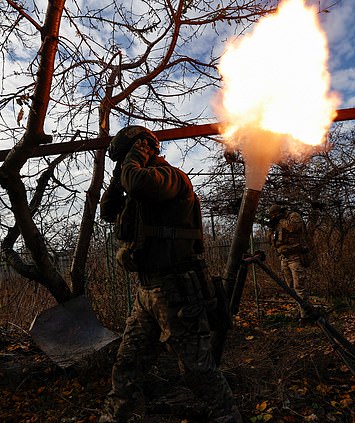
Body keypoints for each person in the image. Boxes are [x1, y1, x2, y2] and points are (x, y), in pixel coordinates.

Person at [99, 125, 241, 423]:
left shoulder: (170, 177)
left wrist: (134, 158)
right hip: (147, 293)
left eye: (128, 157)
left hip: (177, 290)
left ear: (143, 150)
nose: (125, 165)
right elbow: (108, 210)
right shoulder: (137, 186)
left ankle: (228, 416)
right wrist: (116, 179)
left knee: (197, 371)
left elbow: (138, 183)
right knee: (128, 364)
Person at [265, 204, 311, 320]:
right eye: (272, 216)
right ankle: (299, 312)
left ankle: (306, 314)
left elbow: (293, 228)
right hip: (284, 257)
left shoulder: (293, 216)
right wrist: (271, 227)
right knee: (290, 287)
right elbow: (270, 240)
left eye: (275, 214)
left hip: (295, 256)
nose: (274, 217)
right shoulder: (276, 223)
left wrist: (281, 220)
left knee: (299, 286)